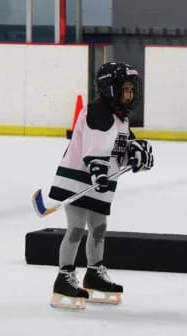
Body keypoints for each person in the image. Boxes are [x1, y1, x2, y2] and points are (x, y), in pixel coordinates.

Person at [48, 62, 154, 310]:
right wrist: (98, 169)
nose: (129, 95)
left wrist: (137, 153)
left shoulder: (121, 117)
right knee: (76, 227)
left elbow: (119, 147)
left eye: (131, 90)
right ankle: (64, 277)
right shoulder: (98, 111)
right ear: (109, 89)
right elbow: (94, 147)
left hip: (101, 183)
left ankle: (94, 273)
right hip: (77, 180)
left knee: (99, 226)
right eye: (124, 89)